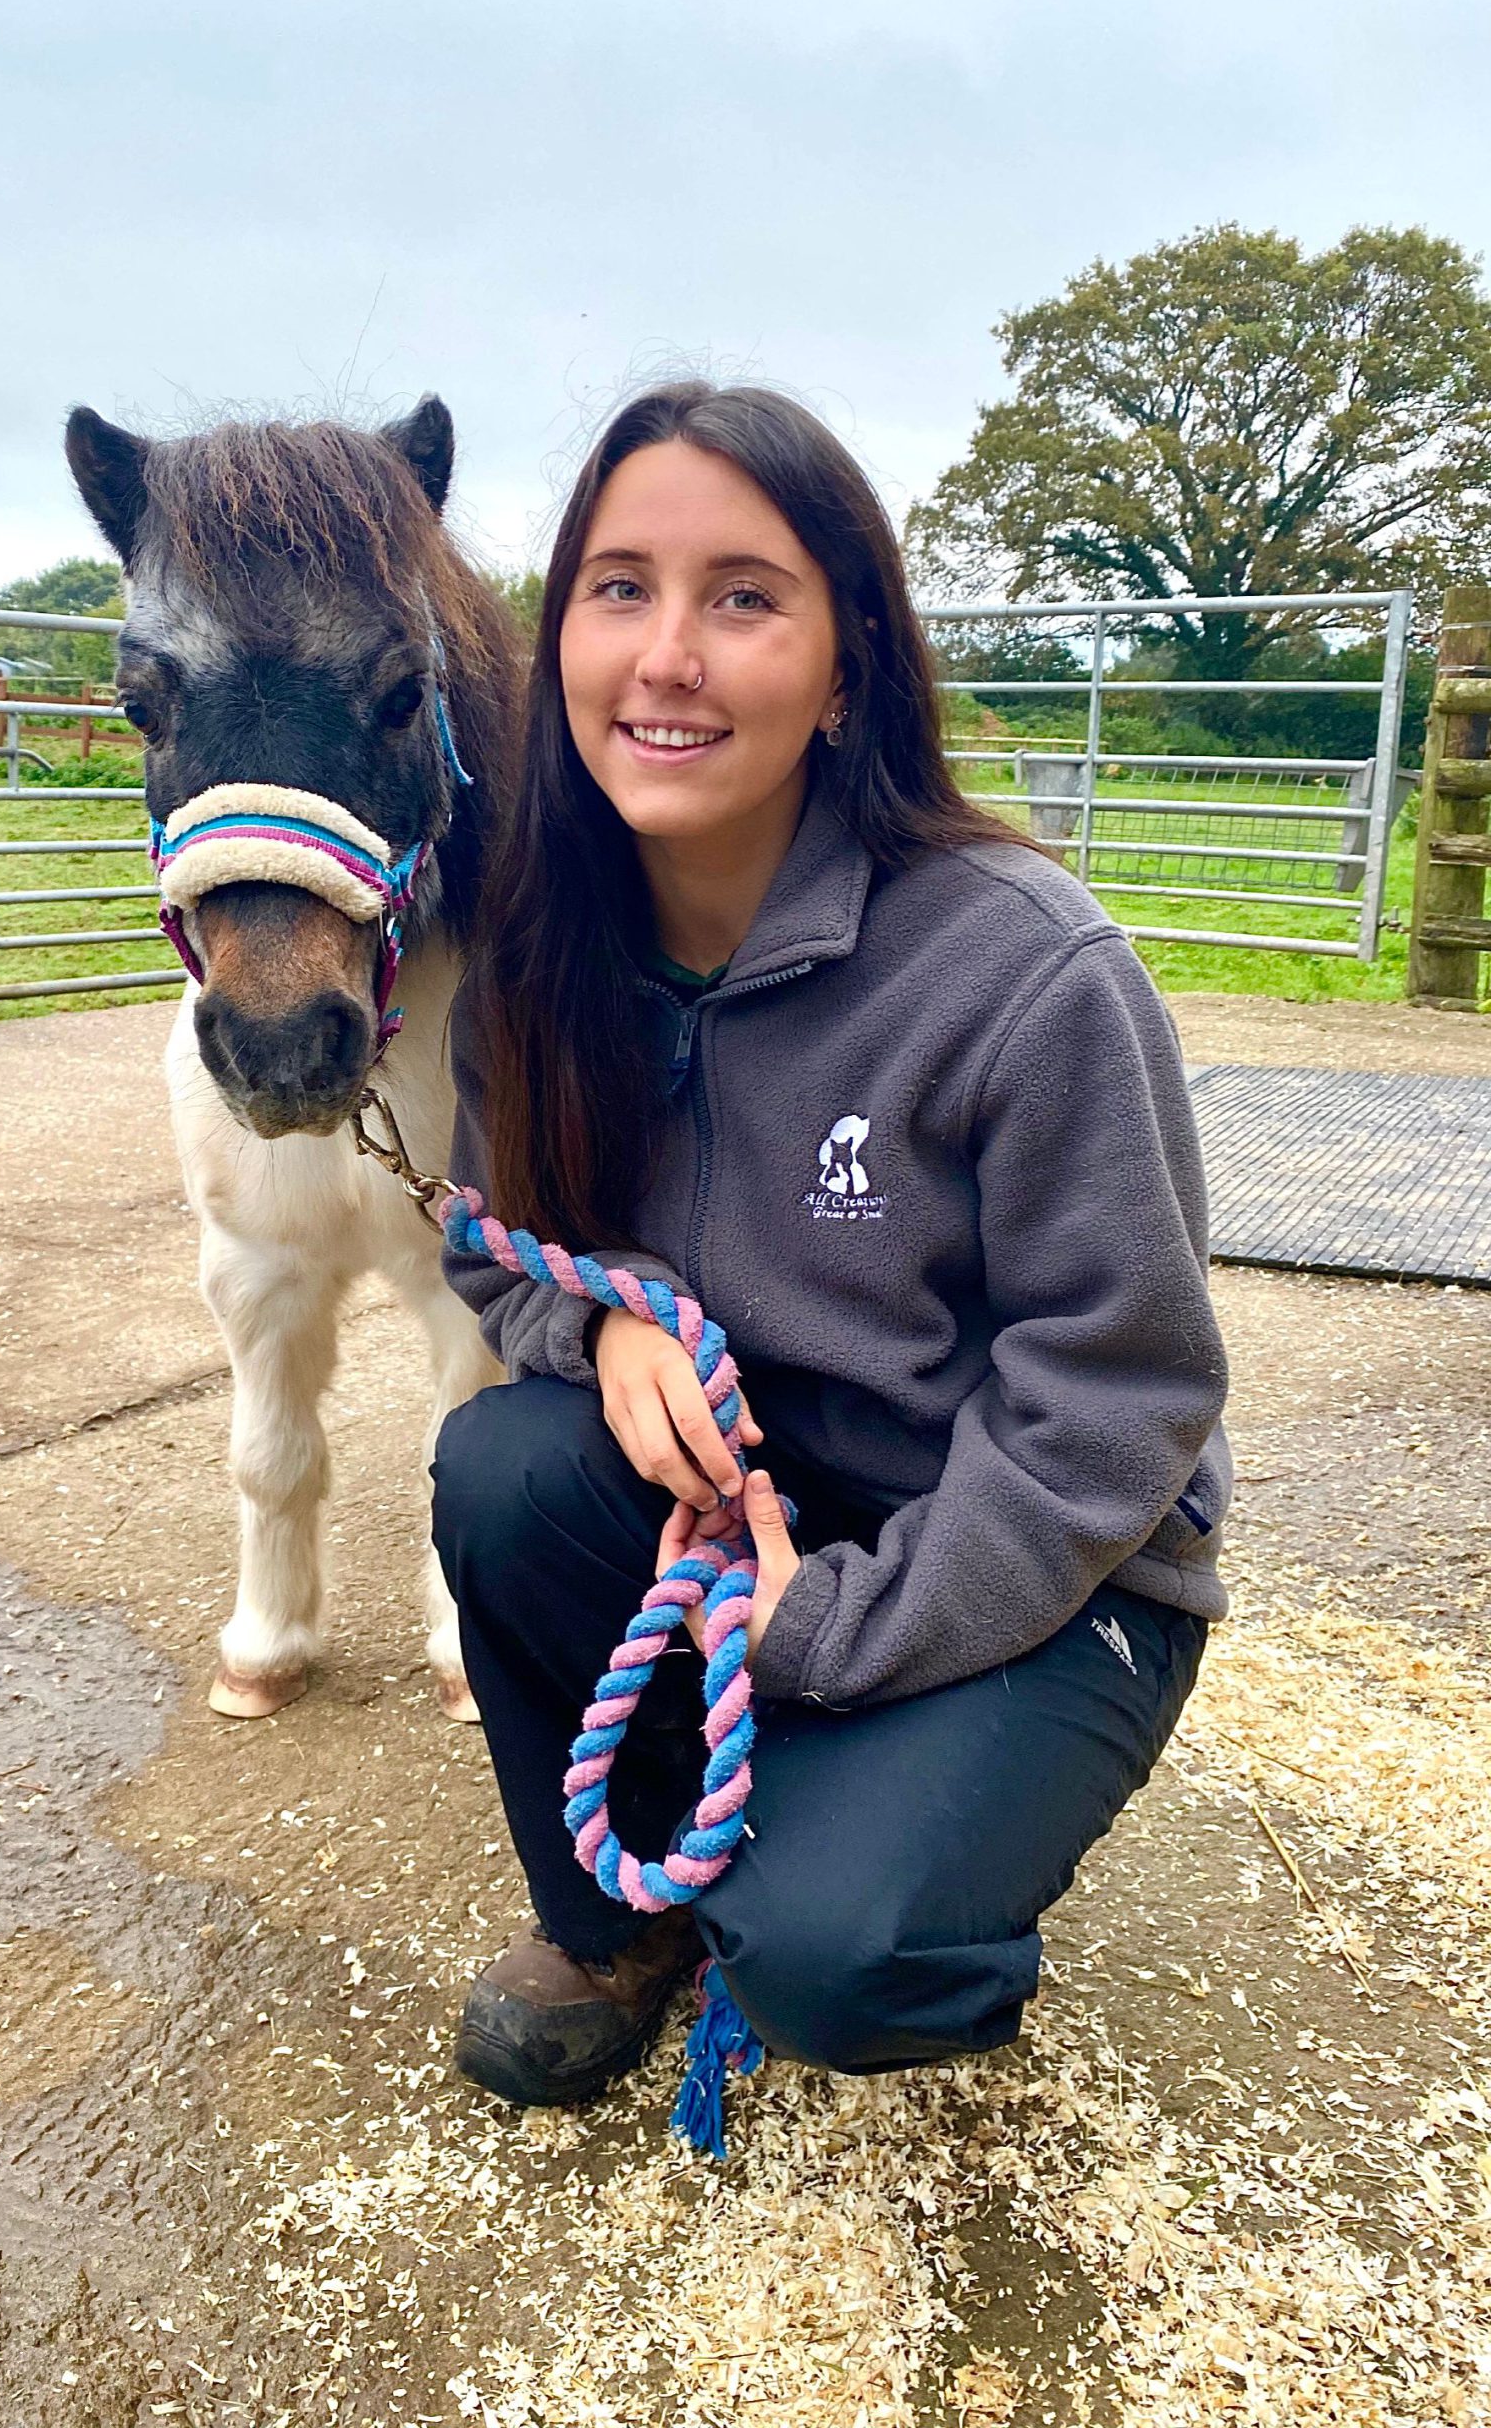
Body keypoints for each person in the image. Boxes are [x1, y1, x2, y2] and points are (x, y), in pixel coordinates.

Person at [428, 381, 1231, 2110]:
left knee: (837, 1956)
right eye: (619, 587)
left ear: (848, 661)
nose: (667, 656)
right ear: (557, 633)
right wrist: (605, 1333)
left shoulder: (1023, 971)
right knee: (501, 1465)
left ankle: (870, 1872)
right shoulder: (538, 956)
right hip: (755, 1513)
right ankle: (615, 1912)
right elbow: (496, 1244)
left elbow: (1119, 1398)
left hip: (1044, 1559)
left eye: (743, 596)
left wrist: (828, 1635)